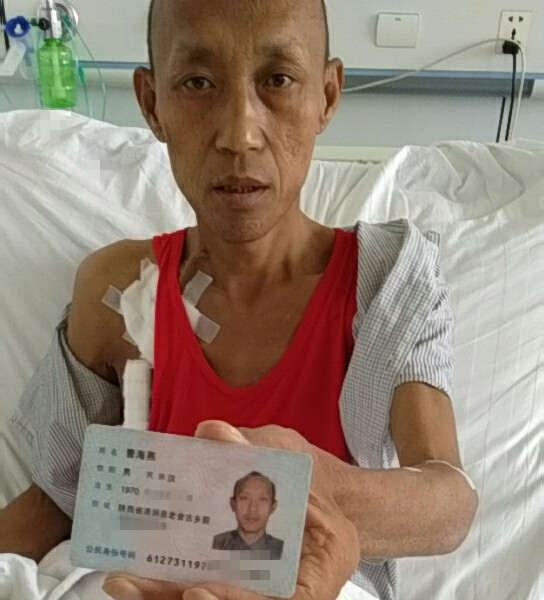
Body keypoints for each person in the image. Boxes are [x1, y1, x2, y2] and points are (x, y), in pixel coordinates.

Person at [0, 0, 479, 599]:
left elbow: (448, 501)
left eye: (278, 79)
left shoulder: (386, 283)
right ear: (152, 103)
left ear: (327, 95)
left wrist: (307, 484)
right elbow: (60, 497)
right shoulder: (121, 291)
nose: (239, 134)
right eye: (197, 83)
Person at [212, 471, 284, 559]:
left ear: (273, 507)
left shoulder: (282, 550)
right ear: (233, 504)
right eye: (244, 498)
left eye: (262, 499)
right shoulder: (216, 544)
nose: (252, 508)